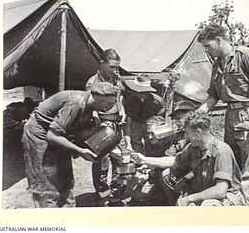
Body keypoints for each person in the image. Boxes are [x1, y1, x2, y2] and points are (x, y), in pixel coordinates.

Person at [197, 23, 249, 205]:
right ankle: (237, 208)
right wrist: (197, 114)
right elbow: (213, 96)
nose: (206, 50)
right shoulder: (217, 65)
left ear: (219, 40)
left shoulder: (244, 55)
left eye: (208, 45)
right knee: (233, 166)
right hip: (231, 116)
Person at [22, 82, 119, 208]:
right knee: (46, 184)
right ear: (99, 97)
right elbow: (51, 136)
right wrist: (79, 150)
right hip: (39, 134)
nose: (108, 108)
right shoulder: (75, 104)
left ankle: (67, 215)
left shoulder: (91, 107)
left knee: (65, 180)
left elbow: (74, 133)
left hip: (59, 134)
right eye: (108, 103)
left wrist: (96, 131)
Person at [131, 111, 246, 206]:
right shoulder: (193, 148)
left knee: (208, 205)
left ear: (198, 133)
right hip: (205, 193)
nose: (186, 136)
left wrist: (190, 198)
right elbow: (173, 161)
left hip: (227, 198)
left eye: (188, 133)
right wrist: (144, 159)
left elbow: (220, 191)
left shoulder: (221, 151)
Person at [85, 49, 126, 201]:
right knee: (102, 161)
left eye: (117, 67)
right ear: (102, 63)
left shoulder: (116, 79)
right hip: (100, 126)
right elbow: (87, 104)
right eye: (112, 67)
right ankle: (101, 192)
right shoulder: (93, 82)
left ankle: (116, 191)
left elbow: (119, 98)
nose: (115, 70)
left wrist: (123, 110)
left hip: (117, 125)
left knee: (120, 159)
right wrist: (96, 116)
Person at [123, 74, 164, 156]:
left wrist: (155, 124)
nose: (141, 95)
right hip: (135, 124)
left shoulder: (157, 100)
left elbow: (162, 114)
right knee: (136, 148)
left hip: (151, 124)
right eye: (139, 92)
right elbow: (127, 124)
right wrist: (128, 144)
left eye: (144, 92)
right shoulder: (130, 101)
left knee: (152, 147)